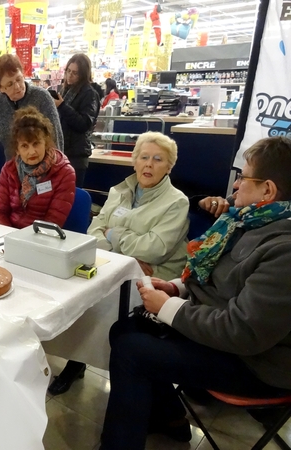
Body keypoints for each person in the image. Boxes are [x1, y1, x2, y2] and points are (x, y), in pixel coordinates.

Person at [100, 136, 291, 450]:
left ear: (267, 190)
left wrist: (170, 308)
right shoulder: (248, 222)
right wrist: (175, 287)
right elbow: (216, 280)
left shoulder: (282, 248)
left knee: (132, 352)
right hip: (226, 337)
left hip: (256, 363)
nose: (236, 185)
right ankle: (171, 418)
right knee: (125, 328)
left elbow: (242, 331)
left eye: (244, 178)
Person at [49, 131, 189, 396]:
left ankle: (122, 375)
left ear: (169, 166)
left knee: (106, 301)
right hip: (115, 264)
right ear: (134, 161)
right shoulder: (119, 191)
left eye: (158, 159)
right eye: (143, 157)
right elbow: (93, 232)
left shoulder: (176, 202)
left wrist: (113, 235)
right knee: (81, 294)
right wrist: (127, 253)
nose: (148, 164)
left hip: (154, 278)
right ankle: (76, 359)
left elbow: (155, 249)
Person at [0, 54, 64, 197]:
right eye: (9, 84)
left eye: (19, 79)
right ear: (0, 88)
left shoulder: (42, 97)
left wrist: (57, 173)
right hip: (13, 175)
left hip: (44, 175)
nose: (17, 87)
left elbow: (56, 139)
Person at [0, 106, 75, 229]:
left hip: (43, 238)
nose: (32, 152)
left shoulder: (64, 173)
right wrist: (8, 236)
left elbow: (52, 223)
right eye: (25, 146)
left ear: (46, 142)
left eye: (36, 143)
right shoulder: (9, 169)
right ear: (17, 149)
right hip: (9, 235)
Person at [54, 53, 100, 187]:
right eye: (68, 71)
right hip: (61, 152)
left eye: (75, 73)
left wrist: (62, 106)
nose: (70, 75)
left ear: (83, 75)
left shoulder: (90, 94)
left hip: (76, 156)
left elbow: (84, 124)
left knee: (72, 197)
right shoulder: (64, 91)